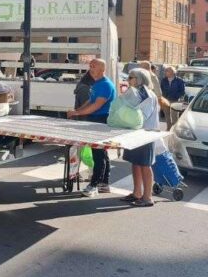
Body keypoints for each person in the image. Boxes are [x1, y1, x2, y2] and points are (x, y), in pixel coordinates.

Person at [66, 58, 116, 197]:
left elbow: (96, 106)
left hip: (101, 119)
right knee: (102, 153)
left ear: (102, 69)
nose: (90, 68)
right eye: (90, 65)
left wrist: (77, 112)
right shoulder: (97, 83)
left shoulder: (106, 85)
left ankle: (94, 185)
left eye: (94, 66)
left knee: (98, 154)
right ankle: (104, 184)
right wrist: (77, 110)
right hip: (95, 120)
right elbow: (90, 100)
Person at [120, 68, 160, 207]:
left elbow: (141, 116)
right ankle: (137, 193)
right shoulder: (136, 93)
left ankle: (147, 197)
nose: (128, 80)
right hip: (135, 133)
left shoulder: (146, 94)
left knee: (144, 165)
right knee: (135, 163)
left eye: (131, 77)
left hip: (145, 134)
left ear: (139, 79)